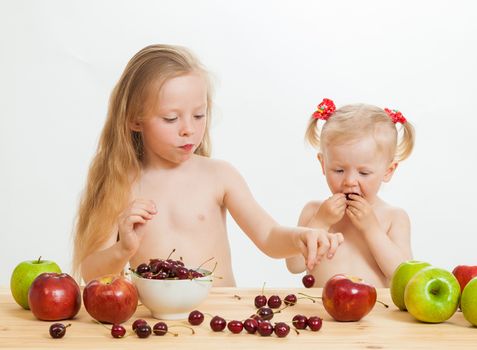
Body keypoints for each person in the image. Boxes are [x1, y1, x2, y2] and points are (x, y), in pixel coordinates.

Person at [72, 45, 343, 286]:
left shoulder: (219, 176)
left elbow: (269, 237)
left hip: (219, 320)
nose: (189, 129)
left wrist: (301, 237)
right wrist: (123, 250)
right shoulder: (121, 183)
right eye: (170, 118)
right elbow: (91, 274)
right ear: (135, 120)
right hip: (154, 325)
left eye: (199, 115)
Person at [286, 99, 415, 287]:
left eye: (363, 173)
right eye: (339, 170)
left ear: (388, 171)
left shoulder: (394, 217)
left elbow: (403, 277)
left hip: (375, 313)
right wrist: (321, 223)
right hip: (320, 312)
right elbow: (294, 265)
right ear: (323, 164)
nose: (349, 181)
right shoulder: (313, 211)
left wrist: (371, 229)